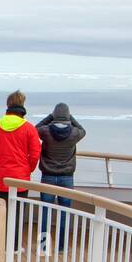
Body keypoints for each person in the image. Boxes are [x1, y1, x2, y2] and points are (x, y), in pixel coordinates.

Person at [36, 102, 86, 250]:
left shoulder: (45, 131)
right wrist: (70, 118)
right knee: (64, 213)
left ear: (54, 115)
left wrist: (50, 117)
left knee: (45, 212)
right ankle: (61, 247)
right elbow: (83, 130)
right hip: (67, 178)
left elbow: (34, 129)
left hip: (48, 177)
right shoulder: (74, 133)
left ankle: (43, 246)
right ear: (68, 116)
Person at [0, 90, 42, 200]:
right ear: (22, 105)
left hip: (2, 177)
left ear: (8, 105)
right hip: (21, 178)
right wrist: (27, 169)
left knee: (2, 212)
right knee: (18, 213)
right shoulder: (29, 128)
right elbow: (35, 154)